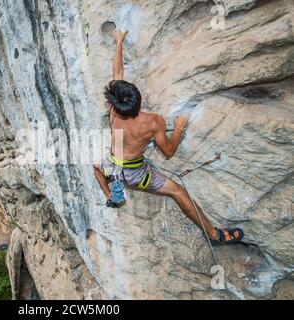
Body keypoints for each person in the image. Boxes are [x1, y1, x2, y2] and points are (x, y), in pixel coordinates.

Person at [93, 31, 244, 246]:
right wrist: (179, 129)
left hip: (113, 165)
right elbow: (168, 152)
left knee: (95, 167)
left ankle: (111, 196)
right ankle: (214, 236)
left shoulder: (114, 112)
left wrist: (118, 41)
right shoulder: (153, 122)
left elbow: (117, 72)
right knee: (178, 192)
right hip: (136, 174)